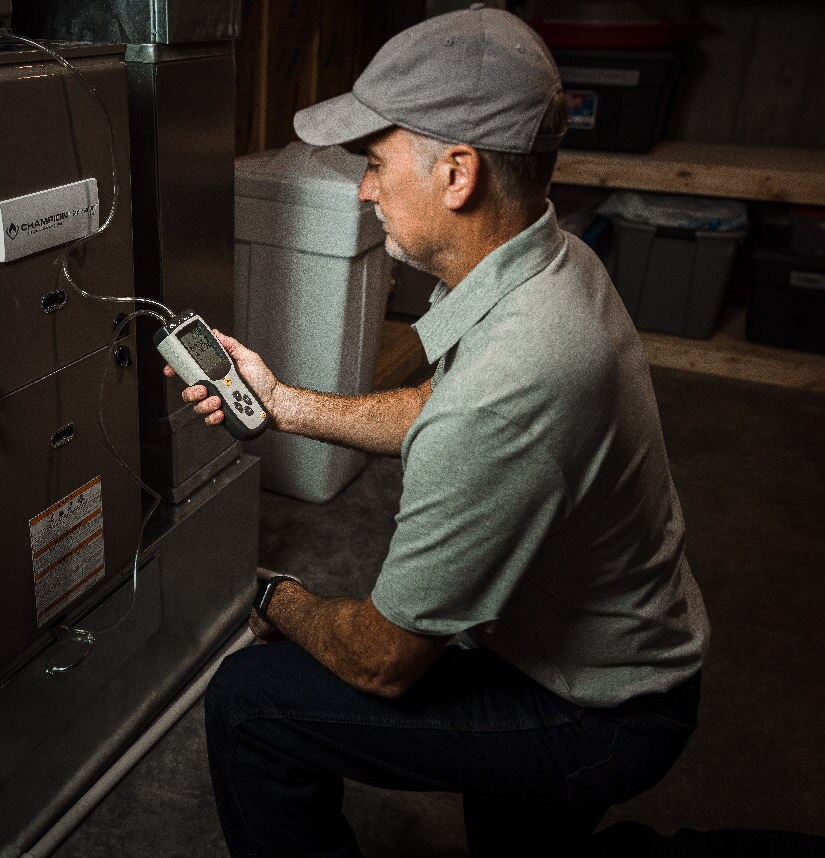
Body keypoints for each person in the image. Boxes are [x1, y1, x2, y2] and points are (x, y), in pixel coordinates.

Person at [167, 7, 710, 857]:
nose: (366, 189)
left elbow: (383, 661)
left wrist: (279, 598)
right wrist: (280, 402)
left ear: (458, 174)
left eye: (378, 163)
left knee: (251, 703)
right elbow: (438, 407)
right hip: (609, 652)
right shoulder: (554, 263)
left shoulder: (513, 385)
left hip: (598, 709)